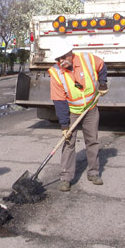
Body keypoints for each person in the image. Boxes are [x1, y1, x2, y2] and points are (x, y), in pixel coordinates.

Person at [48, 40, 109, 192]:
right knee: (68, 142)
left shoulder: (86, 59)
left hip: (91, 108)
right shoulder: (56, 73)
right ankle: (66, 177)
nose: (61, 62)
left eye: (63, 58)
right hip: (73, 111)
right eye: (58, 59)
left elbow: (102, 66)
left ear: (70, 53)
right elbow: (59, 100)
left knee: (92, 140)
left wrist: (103, 83)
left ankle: (93, 173)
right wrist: (64, 125)